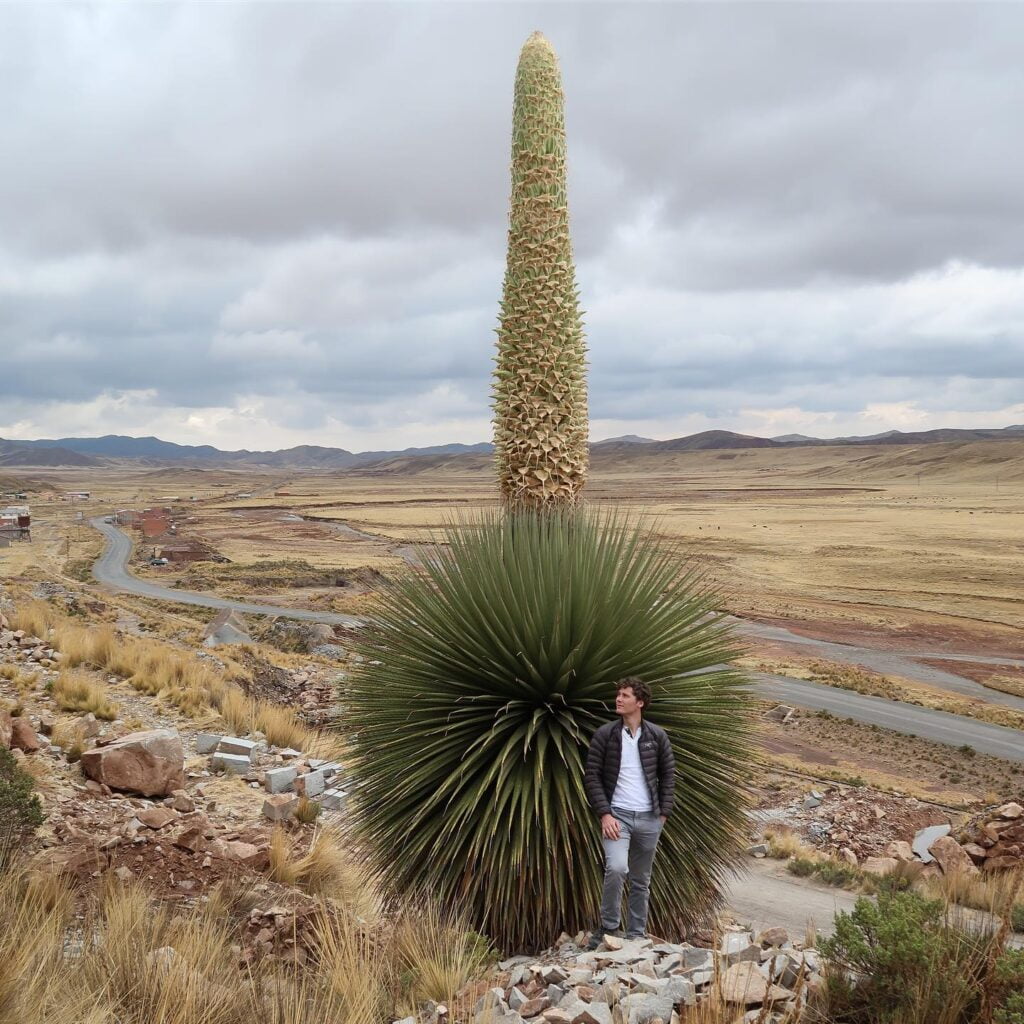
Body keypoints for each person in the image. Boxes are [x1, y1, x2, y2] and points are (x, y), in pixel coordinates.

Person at [583, 677, 676, 949]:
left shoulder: (657, 736)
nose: (618, 699)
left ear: (640, 702)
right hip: (617, 816)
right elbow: (592, 776)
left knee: (641, 879)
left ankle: (637, 934)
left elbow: (668, 775)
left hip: (649, 818)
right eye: (618, 694)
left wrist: (662, 816)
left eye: (625, 695)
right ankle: (609, 928)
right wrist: (605, 814)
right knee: (616, 867)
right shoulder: (605, 734)